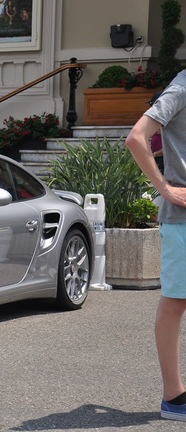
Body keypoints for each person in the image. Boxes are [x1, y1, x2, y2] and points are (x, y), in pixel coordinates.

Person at [125, 70, 186, 422]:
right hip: (182, 218)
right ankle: (174, 398)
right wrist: (165, 189)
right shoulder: (182, 87)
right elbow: (136, 138)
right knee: (176, 302)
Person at [148, 91, 164, 174]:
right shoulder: (156, 120)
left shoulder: (166, 122)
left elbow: (167, 148)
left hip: (163, 161)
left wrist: (153, 155)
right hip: (156, 160)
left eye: (152, 104)